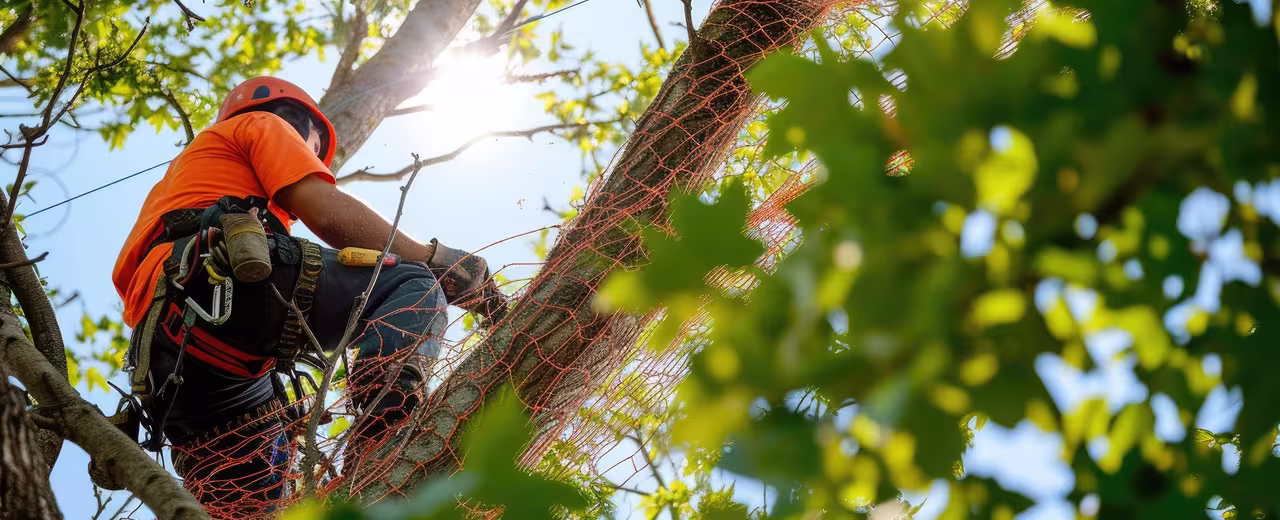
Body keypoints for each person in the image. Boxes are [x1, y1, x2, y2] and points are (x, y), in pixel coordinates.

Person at [101, 76, 507, 516]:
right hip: (218, 282)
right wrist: (437, 259)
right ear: (296, 118)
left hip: (173, 359)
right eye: (314, 144)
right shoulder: (260, 124)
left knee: (262, 497)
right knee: (407, 284)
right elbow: (321, 206)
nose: (312, 153)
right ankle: (383, 438)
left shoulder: (185, 181)